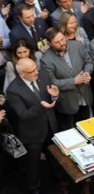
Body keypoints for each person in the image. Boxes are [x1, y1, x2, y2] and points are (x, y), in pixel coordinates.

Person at [6, 58, 58, 194]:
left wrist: (54, 96)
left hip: (50, 125)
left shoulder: (43, 75)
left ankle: (58, 179)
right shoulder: (13, 90)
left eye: (36, 68)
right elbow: (23, 114)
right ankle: (34, 187)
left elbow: (51, 95)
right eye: (32, 71)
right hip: (32, 132)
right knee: (33, 164)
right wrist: (41, 107)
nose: (37, 72)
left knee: (54, 156)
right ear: (22, 74)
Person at [40, 27, 93, 130]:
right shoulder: (45, 60)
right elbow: (52, 83)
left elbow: (88, 61)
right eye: (57, 42)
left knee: (86, 126)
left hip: (84, 95)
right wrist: (74, 81)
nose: (62, 43)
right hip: (66, 102)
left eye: (62, 39)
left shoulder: (77, 45)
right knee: (69, 130)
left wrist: (87, 73)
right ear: (50, 44)